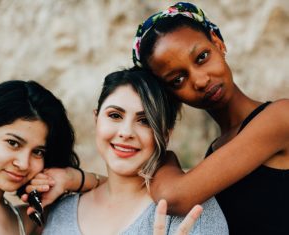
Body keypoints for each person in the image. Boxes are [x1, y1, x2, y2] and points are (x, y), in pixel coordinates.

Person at [132, 2, 289, 234]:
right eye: (177, 79)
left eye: (202, 57)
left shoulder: (280, 117)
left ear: (218, 43)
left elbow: (173, 198)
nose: (200, 80)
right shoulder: (215, 151)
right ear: (170, 94)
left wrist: (164, 156)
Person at [42, 68, 228, 235]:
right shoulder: (61, 211)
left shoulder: (193, 210)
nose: (126, 133)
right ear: (96, 118)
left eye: (144, 121)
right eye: (115, 115)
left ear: (165, 135)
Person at [0, 80, 80, 235]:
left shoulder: (25, 220)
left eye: (38, 152)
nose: (24, 164)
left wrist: (71, 178)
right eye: (13, 143)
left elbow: (118, 194)